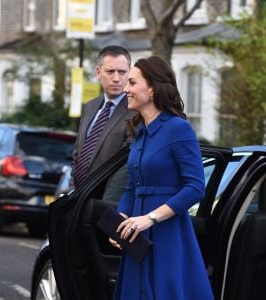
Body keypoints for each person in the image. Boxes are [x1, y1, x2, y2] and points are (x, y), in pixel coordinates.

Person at [111, 56, 214, 299]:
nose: (126, 88)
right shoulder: (140, 132)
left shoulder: (178, 129)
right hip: (137, 236)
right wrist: (121, 221)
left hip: (168, 234)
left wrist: (150, 218)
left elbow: (195, 187)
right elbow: (132, 187)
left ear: (153, 88)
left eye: (133, 82)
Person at [69, 45, 136, 193]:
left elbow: (126, 164)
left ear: (129, 73)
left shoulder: (136, 111)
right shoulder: (90, 107)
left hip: (107, 201)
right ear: (98, 72)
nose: (116, 78)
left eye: (122, 72)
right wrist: (73, 190)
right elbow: (78, 155)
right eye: (110, 71)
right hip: (78, 197)